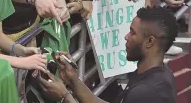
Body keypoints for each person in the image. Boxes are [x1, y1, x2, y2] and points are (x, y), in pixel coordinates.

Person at [37, 6, 178, 103]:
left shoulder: (146, 92)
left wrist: (64, 97)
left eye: (133, 32)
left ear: (150, 42)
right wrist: (73, 80)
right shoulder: (158, 75)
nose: (126, 36)